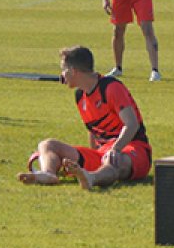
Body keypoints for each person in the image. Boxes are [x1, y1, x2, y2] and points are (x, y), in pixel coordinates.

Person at [17, 45, 152, 190]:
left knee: (113, 161)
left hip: (133, 148)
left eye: (64, 69)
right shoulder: (80, 96)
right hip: (103, 152)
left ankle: (91, 178)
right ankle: (48, 174)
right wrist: (92, 155)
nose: (62, 75)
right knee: (47, 145)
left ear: (73, 71)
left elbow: (132, 124)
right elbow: (93, 131)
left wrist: (116, 149)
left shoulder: (111, 87)